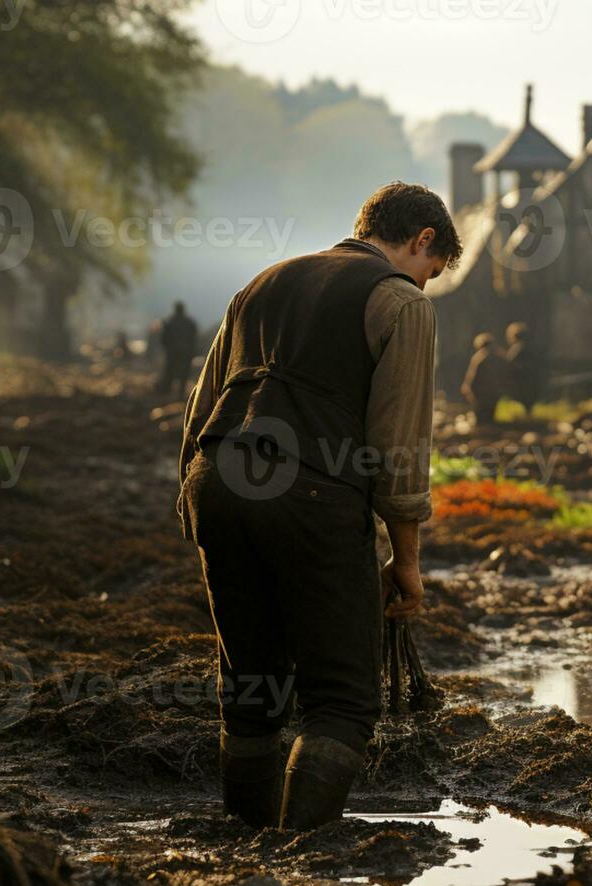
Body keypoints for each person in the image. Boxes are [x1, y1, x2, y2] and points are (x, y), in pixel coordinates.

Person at [177, 182, 462, 831]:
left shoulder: (261, 284)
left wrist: (194, 507)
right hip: (310, 489)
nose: (426, 288)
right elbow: (401, 447)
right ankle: (300, 857)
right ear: (422, 242)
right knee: (340, 699)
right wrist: (406, 560)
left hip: (216, 483)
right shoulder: (398, 302)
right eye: (432, 273)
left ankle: (245, 842)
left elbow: (200, 411)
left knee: (252, 690)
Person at [460, 331, 508, 426]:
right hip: (495, 393)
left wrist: (467, 387)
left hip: (481, 394)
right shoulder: (501, 356)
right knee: (491, 416)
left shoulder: (479, 357)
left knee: (481, 418)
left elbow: (472, 377)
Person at [159, 301, 199, 397]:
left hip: (174, 352)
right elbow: (194, 338)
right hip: (185, 352)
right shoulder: (189, 323)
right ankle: (179, 392)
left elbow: (164, 339)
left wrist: (169, 348)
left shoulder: (169, 322)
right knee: (183, 372)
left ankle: (167, 391)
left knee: (170, 371)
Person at [503, 321, 539, 411]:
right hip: (528, 380)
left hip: (521, 380)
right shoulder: (528, 347)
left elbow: (509, 362)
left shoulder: (518, 347)